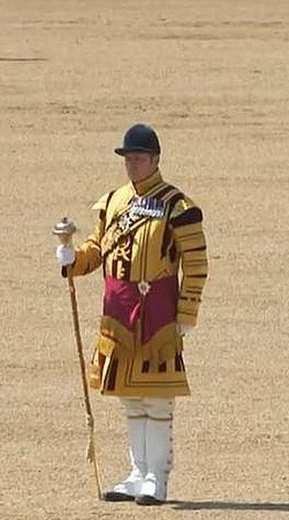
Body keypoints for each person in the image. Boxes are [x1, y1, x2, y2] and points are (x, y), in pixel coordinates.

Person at [54, 123, 208, 505]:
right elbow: (97, 250)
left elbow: (197, 263)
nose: (133, 165)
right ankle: (138, 473)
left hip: (157, 311)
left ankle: (157, 475)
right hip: (118, 311)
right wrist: (73, 260)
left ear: (155, 160)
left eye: (139, 158)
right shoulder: (112, 203)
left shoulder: (178, 206)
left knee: (156, 398)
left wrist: (186, 311)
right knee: (129, 397)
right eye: (129, 158)